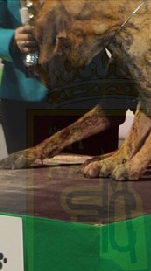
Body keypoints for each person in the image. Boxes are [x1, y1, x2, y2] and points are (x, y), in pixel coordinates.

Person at [0, 1, 123, 158]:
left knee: (94, 169)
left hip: (90, 95)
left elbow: (122, 20)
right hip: (26, 100)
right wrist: (11, 41)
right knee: (27, 172)